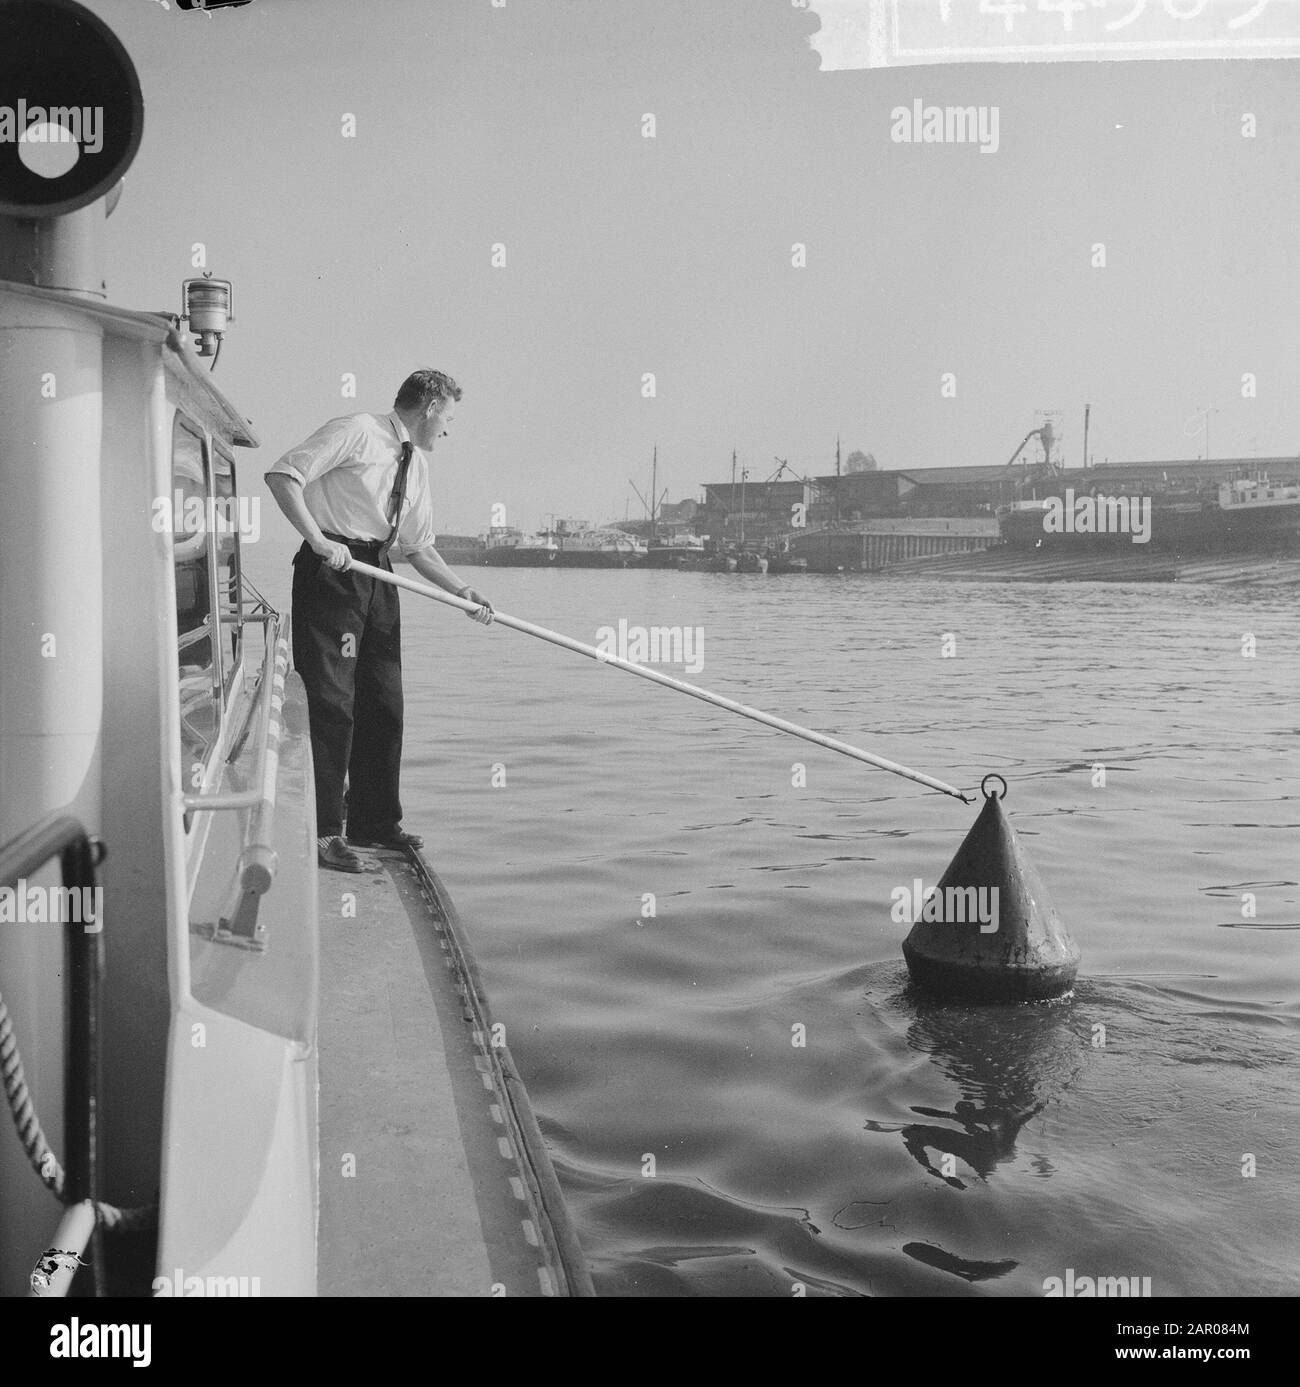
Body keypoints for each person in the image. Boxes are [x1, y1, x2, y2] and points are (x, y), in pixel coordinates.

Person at [265, 368, 493, 872]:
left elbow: (419, 547)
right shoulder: (357, 431)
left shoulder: (417, 466)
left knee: (384, 701)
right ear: (430, 407)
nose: (448, 430)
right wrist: (321, 542)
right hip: (333, 573)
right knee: (332, 703)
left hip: (380, 576)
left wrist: (462, 592)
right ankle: (325, 831)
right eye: (448, 418)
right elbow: (283, 475)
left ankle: (374, 821)